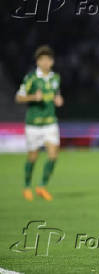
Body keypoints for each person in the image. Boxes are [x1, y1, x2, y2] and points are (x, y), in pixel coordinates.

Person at [15, 45, 63, 201]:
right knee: (33, 157)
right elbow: (18, 97)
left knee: (53, 155)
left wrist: (58, 100)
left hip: (50, 122)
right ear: (37, 62)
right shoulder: (31, 78)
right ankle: (27, 186)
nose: (45, 62)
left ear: (52, 61)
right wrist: (32, 98)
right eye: (42, 59)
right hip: (33, 124)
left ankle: (42, 186)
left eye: (48, 59)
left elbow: (57, 94)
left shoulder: (56, 78)